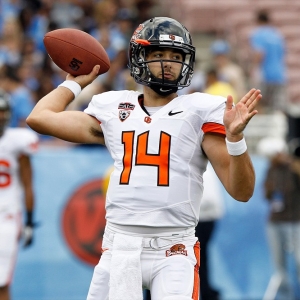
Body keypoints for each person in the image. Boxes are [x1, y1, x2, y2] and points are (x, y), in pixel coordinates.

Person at [26, 17, 261, 300]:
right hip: (119, 245)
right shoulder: (113, 108)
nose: (169, 62)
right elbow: (39, 118)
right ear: (139, 58)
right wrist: (75, 85)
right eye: (158, 54)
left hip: (174, 248)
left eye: (176, 56)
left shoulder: (201, 110)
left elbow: (242, 191)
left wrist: (235, 140)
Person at [0, 89, 38, 300]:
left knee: (1, 282)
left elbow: (28, 183)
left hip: (5, 216)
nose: (1, 116)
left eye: (3, 111)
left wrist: (30, 221)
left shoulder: (18, 141)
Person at [263, 139, 300, 300]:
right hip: (275, 221)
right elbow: (267, 195)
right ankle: (287, 297)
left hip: (295, 220)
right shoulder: (270, 169)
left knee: (299, 261)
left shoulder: (294, 166)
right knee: (279, 266)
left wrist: (292, 163)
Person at [195, 163, 225, 300]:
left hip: (201, 220)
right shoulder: (207, 169)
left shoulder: (203, 170)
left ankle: (204, 291)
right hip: (205, 219)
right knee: (200, 258)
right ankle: (205, 291)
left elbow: (209, 199)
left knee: (198, 258)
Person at [249, 10, 287, 113]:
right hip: (279, 75)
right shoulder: (277, 35)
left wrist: (254, 68)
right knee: (278, 108)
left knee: (258, 103)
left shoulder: (258, 34)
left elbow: (259, 53)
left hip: (265, 75)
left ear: (258, 20)